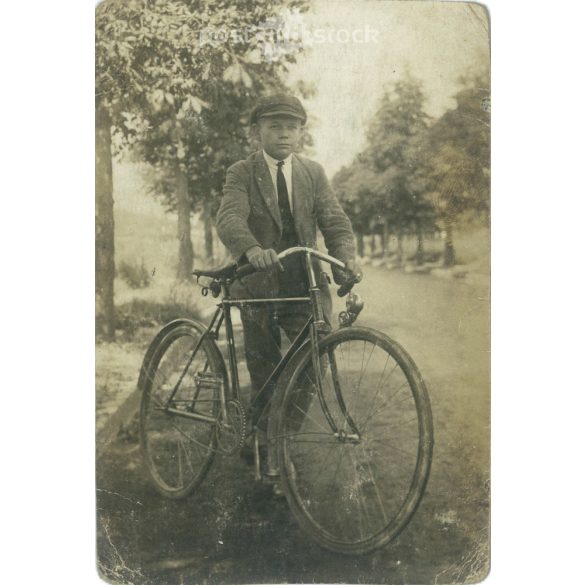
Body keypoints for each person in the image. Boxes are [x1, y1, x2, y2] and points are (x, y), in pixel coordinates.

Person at [216, 94, 362, 471]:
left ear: (301, 132)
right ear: (257, 131)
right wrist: (251, 249)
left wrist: (346, 255)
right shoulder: (241, 172)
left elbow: (334, 220)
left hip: (304, 283)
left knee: (312, 364)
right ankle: (267, 443)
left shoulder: (312, 172)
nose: (284, 134)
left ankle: (280, 435)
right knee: (264, 369)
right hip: (259, 284)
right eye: (274, 126)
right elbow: (230, 218)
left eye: (292, 127)